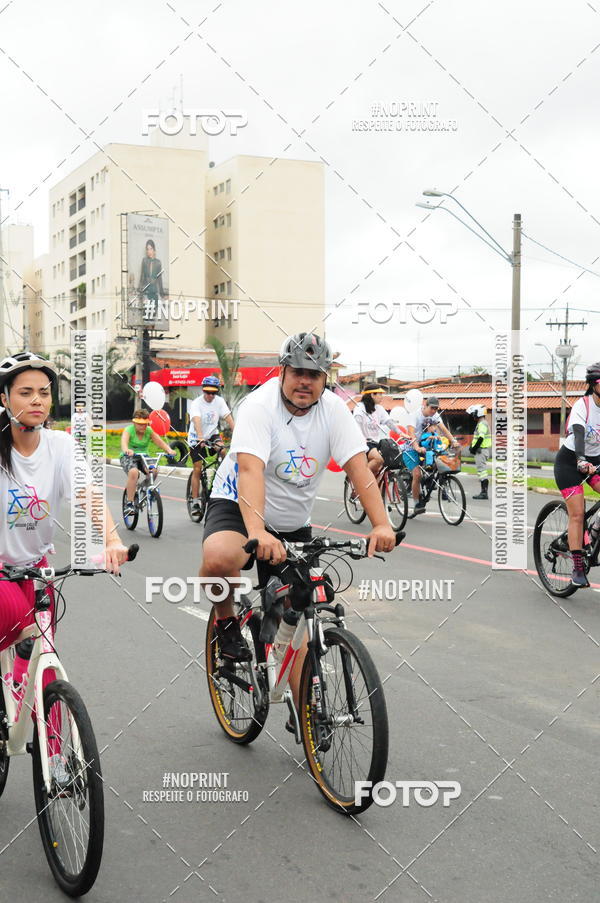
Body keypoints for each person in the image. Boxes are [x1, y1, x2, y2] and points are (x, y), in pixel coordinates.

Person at [200, 332, 396, 725]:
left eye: (315, 374)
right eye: (298, 372)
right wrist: (257, 532)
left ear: (325, 380)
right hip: (240, 505)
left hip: (292, 521)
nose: (305, 381)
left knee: (299, 610)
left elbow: (359, 469)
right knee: (222, 556)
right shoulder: (259, 406)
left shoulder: (335, 412)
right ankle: (226, 623)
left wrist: (381, 523)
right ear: (283, 371)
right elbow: (251, 471)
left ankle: (305, 707)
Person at [0, 352, 129, 781]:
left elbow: (89, 493)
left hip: (37, 570)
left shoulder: (59, 446)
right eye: (25, 392)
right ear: (4, 398)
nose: (37, 400)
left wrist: (110, 538)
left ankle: (55, 758)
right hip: (0, 572)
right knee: (14, 622)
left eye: (44, 392)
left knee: (42, 653)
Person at [554, 362, 600, 587]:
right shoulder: (583, 405)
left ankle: (594, 529)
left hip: (596, 461)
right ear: (594, 385)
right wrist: (581, 460)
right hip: (571, 462)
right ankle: (578, 567)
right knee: (577, 514)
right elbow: (579, 435)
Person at [188, 375, 235, 516]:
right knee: (197, 469)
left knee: (222, 451)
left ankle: (220, 475)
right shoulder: (196, 403)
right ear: (203, 390)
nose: (210, 395)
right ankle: (195, 501)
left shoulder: (219, 402)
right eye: (207, 392)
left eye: (213, 393)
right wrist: (201, 437)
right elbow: (196, 420)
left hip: (212, 434)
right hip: (197, 438)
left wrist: (239, 435)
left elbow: (229, 418)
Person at [404, 395, 460, 515]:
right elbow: (411, 434)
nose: (434, 411)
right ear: (425, 406)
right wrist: (417, 447)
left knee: (439, 461)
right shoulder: (414, 416)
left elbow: (444, 429)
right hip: (410, 447)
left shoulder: (434, 415)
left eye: (436, 409)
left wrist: (453, 441)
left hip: (426, 446)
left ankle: (431, 482)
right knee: (417, 474)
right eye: (432, 408)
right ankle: (416, 503)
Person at [120, 409, 174, 516]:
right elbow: (124, 443)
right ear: (134, 422)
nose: (142, 427)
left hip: (143, 456)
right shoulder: (129, 430)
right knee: (134, 473)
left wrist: (169, 450)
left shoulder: (149, 431)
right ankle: (130, 503)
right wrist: (127, 449)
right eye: (140, 424)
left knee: (154, 470)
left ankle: (144, 488)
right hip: (129, 456)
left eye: (145, 424)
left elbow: (160, 442)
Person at [352, 385, 397, 477]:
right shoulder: (360, 408)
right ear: (372, 395)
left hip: (376, 442)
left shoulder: (379, 408)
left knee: (378, 472)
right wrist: (361, 440)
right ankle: (361, 477)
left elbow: (388, 422)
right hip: (364, 442)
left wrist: (401, 433)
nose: (382, 396)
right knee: (378, 460)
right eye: (379, 394)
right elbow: (356, 426)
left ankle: (376, 490)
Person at [467, 405, 492, 499]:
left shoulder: (482, 424)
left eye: (474, 413)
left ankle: (484, 493)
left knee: (482, 472)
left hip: (481, 451)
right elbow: (478, 438)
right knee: (482, 471)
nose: (473, 415)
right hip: (481, 450)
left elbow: (481, 437)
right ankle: (483, 492)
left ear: (478, 413)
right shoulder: (482, 423)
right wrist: (472, 446)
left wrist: (474, 448)